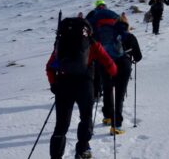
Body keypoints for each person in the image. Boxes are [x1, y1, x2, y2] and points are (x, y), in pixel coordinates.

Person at [46, 17, 117, 159]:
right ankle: (82, 150)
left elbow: (50, 67)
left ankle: (56, 156)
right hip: (85, 85)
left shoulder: (61, 43)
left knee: (61, 125)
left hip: (63, 85)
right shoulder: (92, 43)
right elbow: (110, 65)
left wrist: (54, 84)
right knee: (86, 118)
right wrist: (112, 75)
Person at [100, 13, 142, 135]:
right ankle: (116, 125)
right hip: (124, 65)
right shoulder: (130, 36)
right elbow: (138, 57)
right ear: (127, 25)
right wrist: (131, 57)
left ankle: (107, 117)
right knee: (119, 95)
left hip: (107, 65)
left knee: (107, 90)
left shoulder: (108, 35)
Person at [85, 0, 120, 102]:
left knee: (96, 69)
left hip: (97, 46)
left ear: (96, 6)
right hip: (113, 46)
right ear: (105, 6)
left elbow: (86, 26)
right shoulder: (113, 14)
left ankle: (96, 92)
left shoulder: (93, 14)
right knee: (110, 66)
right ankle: (110, 89)